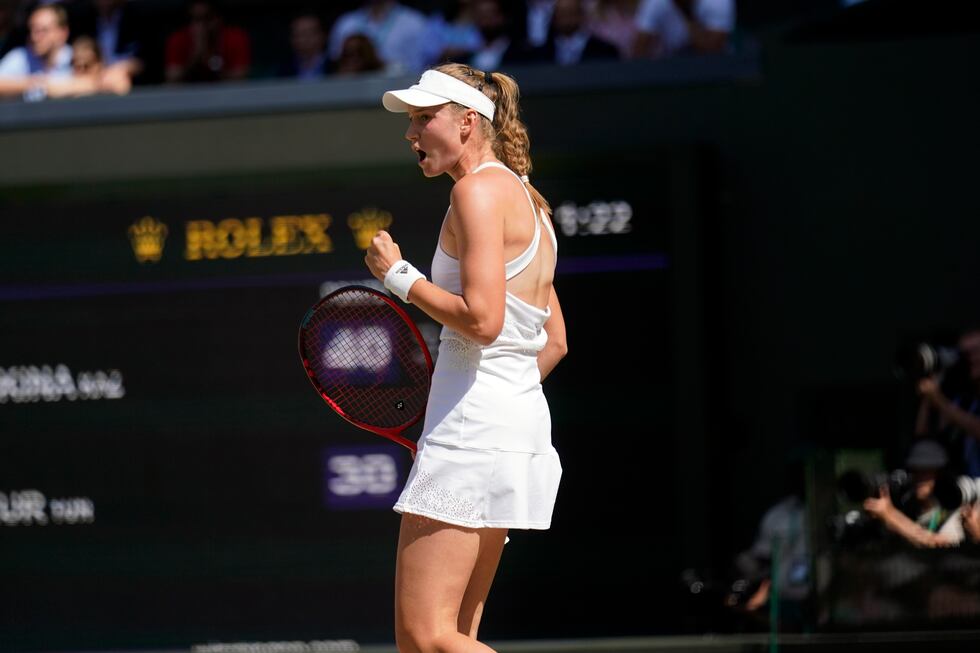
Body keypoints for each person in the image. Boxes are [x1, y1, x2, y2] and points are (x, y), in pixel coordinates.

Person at [365, 63, 567, 652]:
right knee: (454, 637)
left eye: (424, 119)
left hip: (474, 432)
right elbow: (552, 341)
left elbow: (483, 321)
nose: (412, 134)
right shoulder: (530, 201)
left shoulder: (476, 190)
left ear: (467, 121)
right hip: (512, 425)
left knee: (424, 639)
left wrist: (398, 277)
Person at [862, 439, 965, 548]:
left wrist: (890, 515)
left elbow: (939, 545)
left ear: (940, 474)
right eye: (914, 471)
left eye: (925, 471)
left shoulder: (953, 509)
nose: (919, 478)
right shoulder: (908, 504)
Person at [915, 326, 980, 477]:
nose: (971, 358)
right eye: (965, 354)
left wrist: (937, 399)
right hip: (967, 493)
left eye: (976, 351)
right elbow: (923, 441)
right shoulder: (964, 403)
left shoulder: (948, 405)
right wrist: (929, 395)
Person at [328, 0, 427, 74]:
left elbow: (422, 69)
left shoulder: (415, 23)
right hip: (352, 95)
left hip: (400, 95)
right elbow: (336, 69)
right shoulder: (345, 24)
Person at [164, 0, 251, 84]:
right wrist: (195, 56)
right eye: (197, 19)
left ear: (219, 18)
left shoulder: (235, 38)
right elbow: (172, 79)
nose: (202, 25)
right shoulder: (178, 40)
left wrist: (209, 59)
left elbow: (241, 78)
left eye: (207, 18)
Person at [0, 3, 72, 100]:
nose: (34, 37)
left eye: (43, 30)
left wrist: (61, 87)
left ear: (63, 33)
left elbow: (96, 82)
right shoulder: (21, 56)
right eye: (32, 29)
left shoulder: (75, 57)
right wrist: (35, 83)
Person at [631, 0, 734, 58]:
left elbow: (713, 49)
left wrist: (685, 12)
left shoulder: (717, 2)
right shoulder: (656, 2)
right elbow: (639, 49)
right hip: (673, 65)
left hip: (716, 70)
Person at [530, 0, 620, 66]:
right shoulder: (540, 56)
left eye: (571, 13)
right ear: (554, 18)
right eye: (562, 14)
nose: (567, 19)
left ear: (582, 15)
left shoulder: (605, 51)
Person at [278, 12, 329, 80]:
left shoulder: (335, 66)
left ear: (323, 35)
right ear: (292, 39)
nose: (305, 39)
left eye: (310, 33)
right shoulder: (283, 71)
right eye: (300, 34)